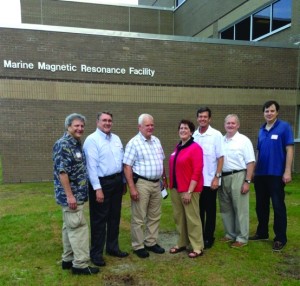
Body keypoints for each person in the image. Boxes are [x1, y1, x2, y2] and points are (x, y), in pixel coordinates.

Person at [52, 113, 99, 275]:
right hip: (72, 196)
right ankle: (80, 264)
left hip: (76, 195)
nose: (80, 128)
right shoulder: (63, 144)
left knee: (69, 227)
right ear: (68, 127)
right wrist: (70, 196)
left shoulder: (76, 143)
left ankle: (68, 259)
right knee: (79, 228)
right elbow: (62, 172)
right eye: (76, 126)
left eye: (82, 126)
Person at [83, 111, 128, 267]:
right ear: (97, 122)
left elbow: (121, 161)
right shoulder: (92, 140)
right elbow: (91, 167)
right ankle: (96, 253)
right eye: (104, 120)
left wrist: (123, 182)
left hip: (116, 181)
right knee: (99, 219)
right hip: (101, 183)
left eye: (109, 120)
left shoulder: (116, 139)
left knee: (114, 217)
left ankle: (112, 247)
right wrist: (97, 189)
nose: (107, 123)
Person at [250, 100, 294, 252]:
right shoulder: (261, 130)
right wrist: (254, 170)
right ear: (263, 113)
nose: (269, 113)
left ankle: (280, 238)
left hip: (276, 174)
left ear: (277, 112)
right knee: (261, 206)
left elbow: (289, 149)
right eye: (266, 111)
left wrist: (287, 170)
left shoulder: (284, 127)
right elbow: (258, 152)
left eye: (272, 111)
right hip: (261, 174)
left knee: (278, 206)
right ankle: (262, 233)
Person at [123, 114, 168, 258]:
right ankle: (138, 245)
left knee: (154, 215)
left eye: (152, 125)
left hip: (156, 183)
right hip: (141, 183)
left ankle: (151, 242)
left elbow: (161, 161)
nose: (150, 127)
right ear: (139, 127)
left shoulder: (156, 141)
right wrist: (132, 188)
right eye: (147, 125)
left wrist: (164, 179)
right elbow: (127, 166)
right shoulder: (133, 143)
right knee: (139, 217)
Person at [169, 119, 204, 258]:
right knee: (179, 217)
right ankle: (182, 242)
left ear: (191, 131)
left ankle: (197, 246)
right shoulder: (178, 147)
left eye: (186, 128)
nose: (183, 130)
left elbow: (197, 170)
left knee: (192, 218)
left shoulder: (195, 148)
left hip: (189, 190)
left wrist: (189, 191)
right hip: (176, 189)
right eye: (181, 128)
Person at [219, 114, 255, 248]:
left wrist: (247, 181)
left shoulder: (243, 140)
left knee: (240, 208)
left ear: (238, 125)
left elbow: (250, 162)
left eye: (233, 123)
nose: (230, 125)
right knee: (226, 207)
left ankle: (242, 237)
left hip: (239, 176)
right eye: (228, 123)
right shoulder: (221, 140)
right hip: (223, 177)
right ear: (224, 125)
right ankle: (230, 234)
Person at [193, 107, 224, 249]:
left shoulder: (216, 135)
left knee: (210, 211)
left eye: (205, 117)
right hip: (196, 182)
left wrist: (217, 177)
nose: (202, 119)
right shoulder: (194, 135)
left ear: (209, 119)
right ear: (197, 118)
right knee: (198, 211)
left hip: (210, 180)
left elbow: (221, 158)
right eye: (200, 116)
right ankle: (199, 235)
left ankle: (208, 237)